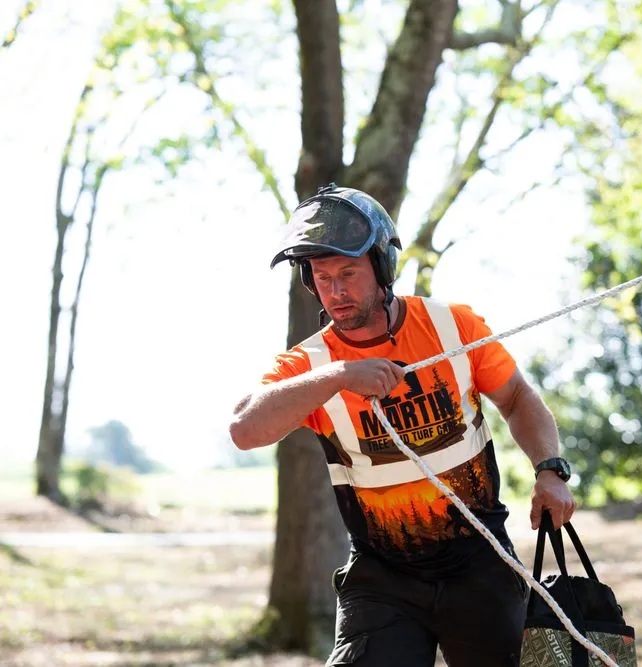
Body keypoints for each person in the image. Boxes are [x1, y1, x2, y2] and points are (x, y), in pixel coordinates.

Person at [229, 183, 577, 667]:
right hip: (381, 578)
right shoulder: (310, 365)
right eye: (322, 277)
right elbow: (245, 429)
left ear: (382, 265)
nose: (336, 291)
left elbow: (518, 398)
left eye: (348, 273)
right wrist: (341, 375)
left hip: (480, 563)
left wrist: (550, 470)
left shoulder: (453, 327)